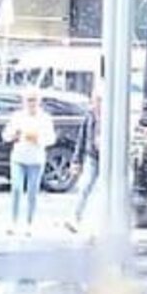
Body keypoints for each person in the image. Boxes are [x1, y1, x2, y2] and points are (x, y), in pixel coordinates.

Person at [1, 91, 55, 234]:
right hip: (19, 157)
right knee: (17, 188)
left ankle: (29, 223)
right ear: (24, 102)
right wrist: (13, 135)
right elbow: (6, 135)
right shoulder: (18, 117)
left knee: (32, 191)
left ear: (39, 101)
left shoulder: (44, 118)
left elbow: (51, 138)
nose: (31, 103)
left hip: (36, 159)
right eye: (29, 100)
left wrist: (39, 139)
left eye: (34, 100)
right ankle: (13, 222)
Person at [66, 93, 101, 233]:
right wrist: (76, 160)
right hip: (92, 156)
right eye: (97, 100)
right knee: (85, 187)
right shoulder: (90, 116)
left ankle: (100, 221)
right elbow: (81, 138)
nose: (98, 104)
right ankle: (75, 218)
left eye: (101, 100)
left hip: (108, 158)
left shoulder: (112, 115)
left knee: (104, 190)